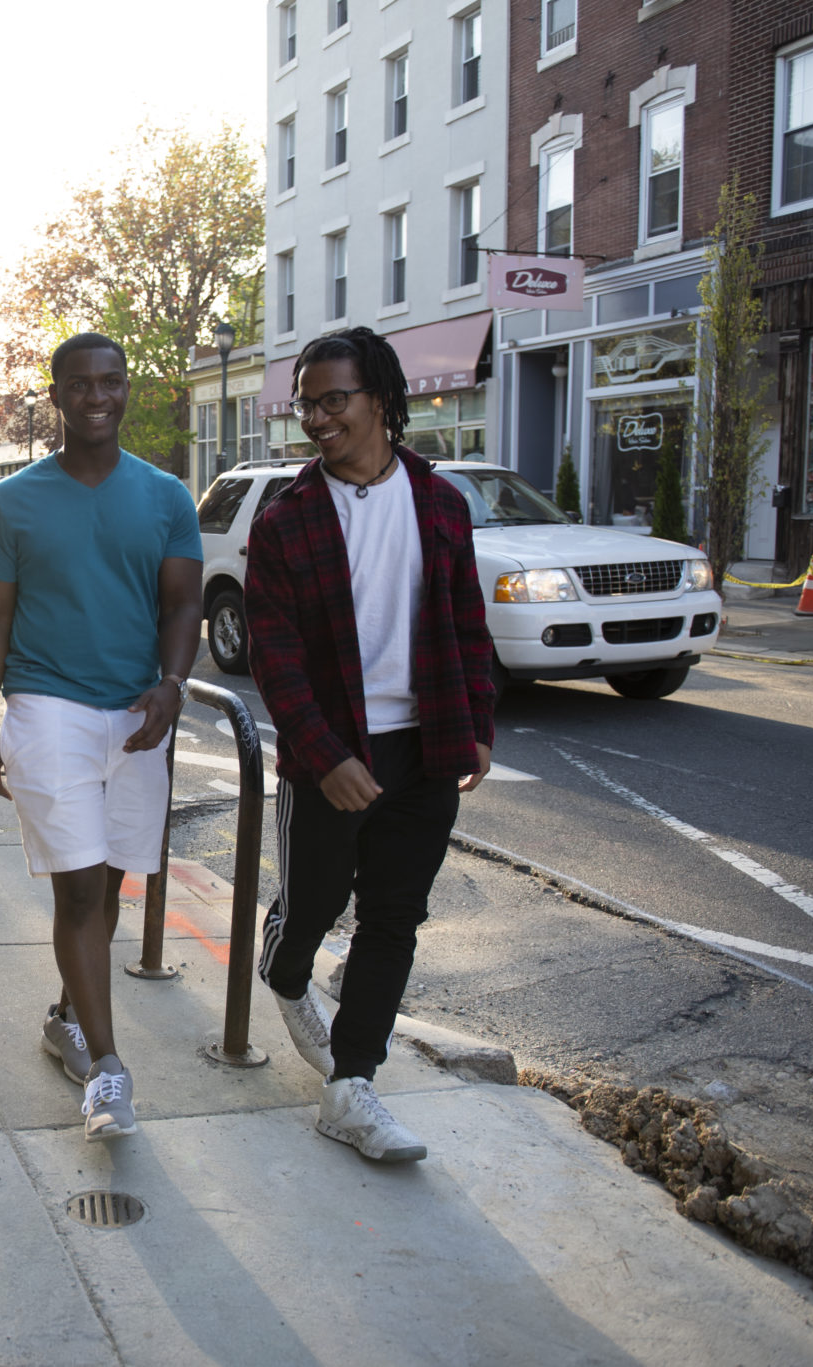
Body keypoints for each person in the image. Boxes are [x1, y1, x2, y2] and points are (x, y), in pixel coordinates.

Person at [244, 327, 495, 1164]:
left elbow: (466, 625)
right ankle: (282, 972)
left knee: (394, 917)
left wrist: (478, 727)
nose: (316, 417)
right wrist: (325, 757)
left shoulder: (441, 504)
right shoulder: (288, 521)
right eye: (306, 402)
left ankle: (353, 1085)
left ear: (382, 400)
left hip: (423, 750)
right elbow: (275, 661)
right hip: (333, 756)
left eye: (332, 400)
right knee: (311, 906)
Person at [0, 333, 203, 1143]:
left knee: (106, 890)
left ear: (125, 389)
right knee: (77, 890)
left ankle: (67, 1017)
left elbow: (182, 606)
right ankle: (108, 1067)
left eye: (112, 382)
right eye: (81, 384)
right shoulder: (12, 502)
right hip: (48, 708)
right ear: (57, 394)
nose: (98, 396)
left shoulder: (167, 496)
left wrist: (172, 684)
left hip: (137, 716)